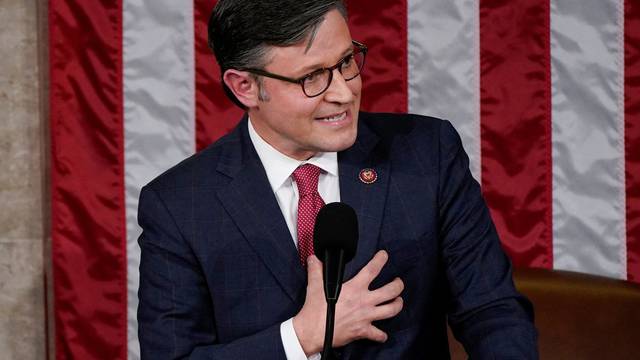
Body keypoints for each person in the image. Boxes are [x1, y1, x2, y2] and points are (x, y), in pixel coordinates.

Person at [137, 0, 538, 359]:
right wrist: (300, 336)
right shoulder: (179, 205)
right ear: (245, 87)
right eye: (313, 77)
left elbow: (492, 311)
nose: (345, 93)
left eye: (346, 62)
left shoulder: (427, 154)